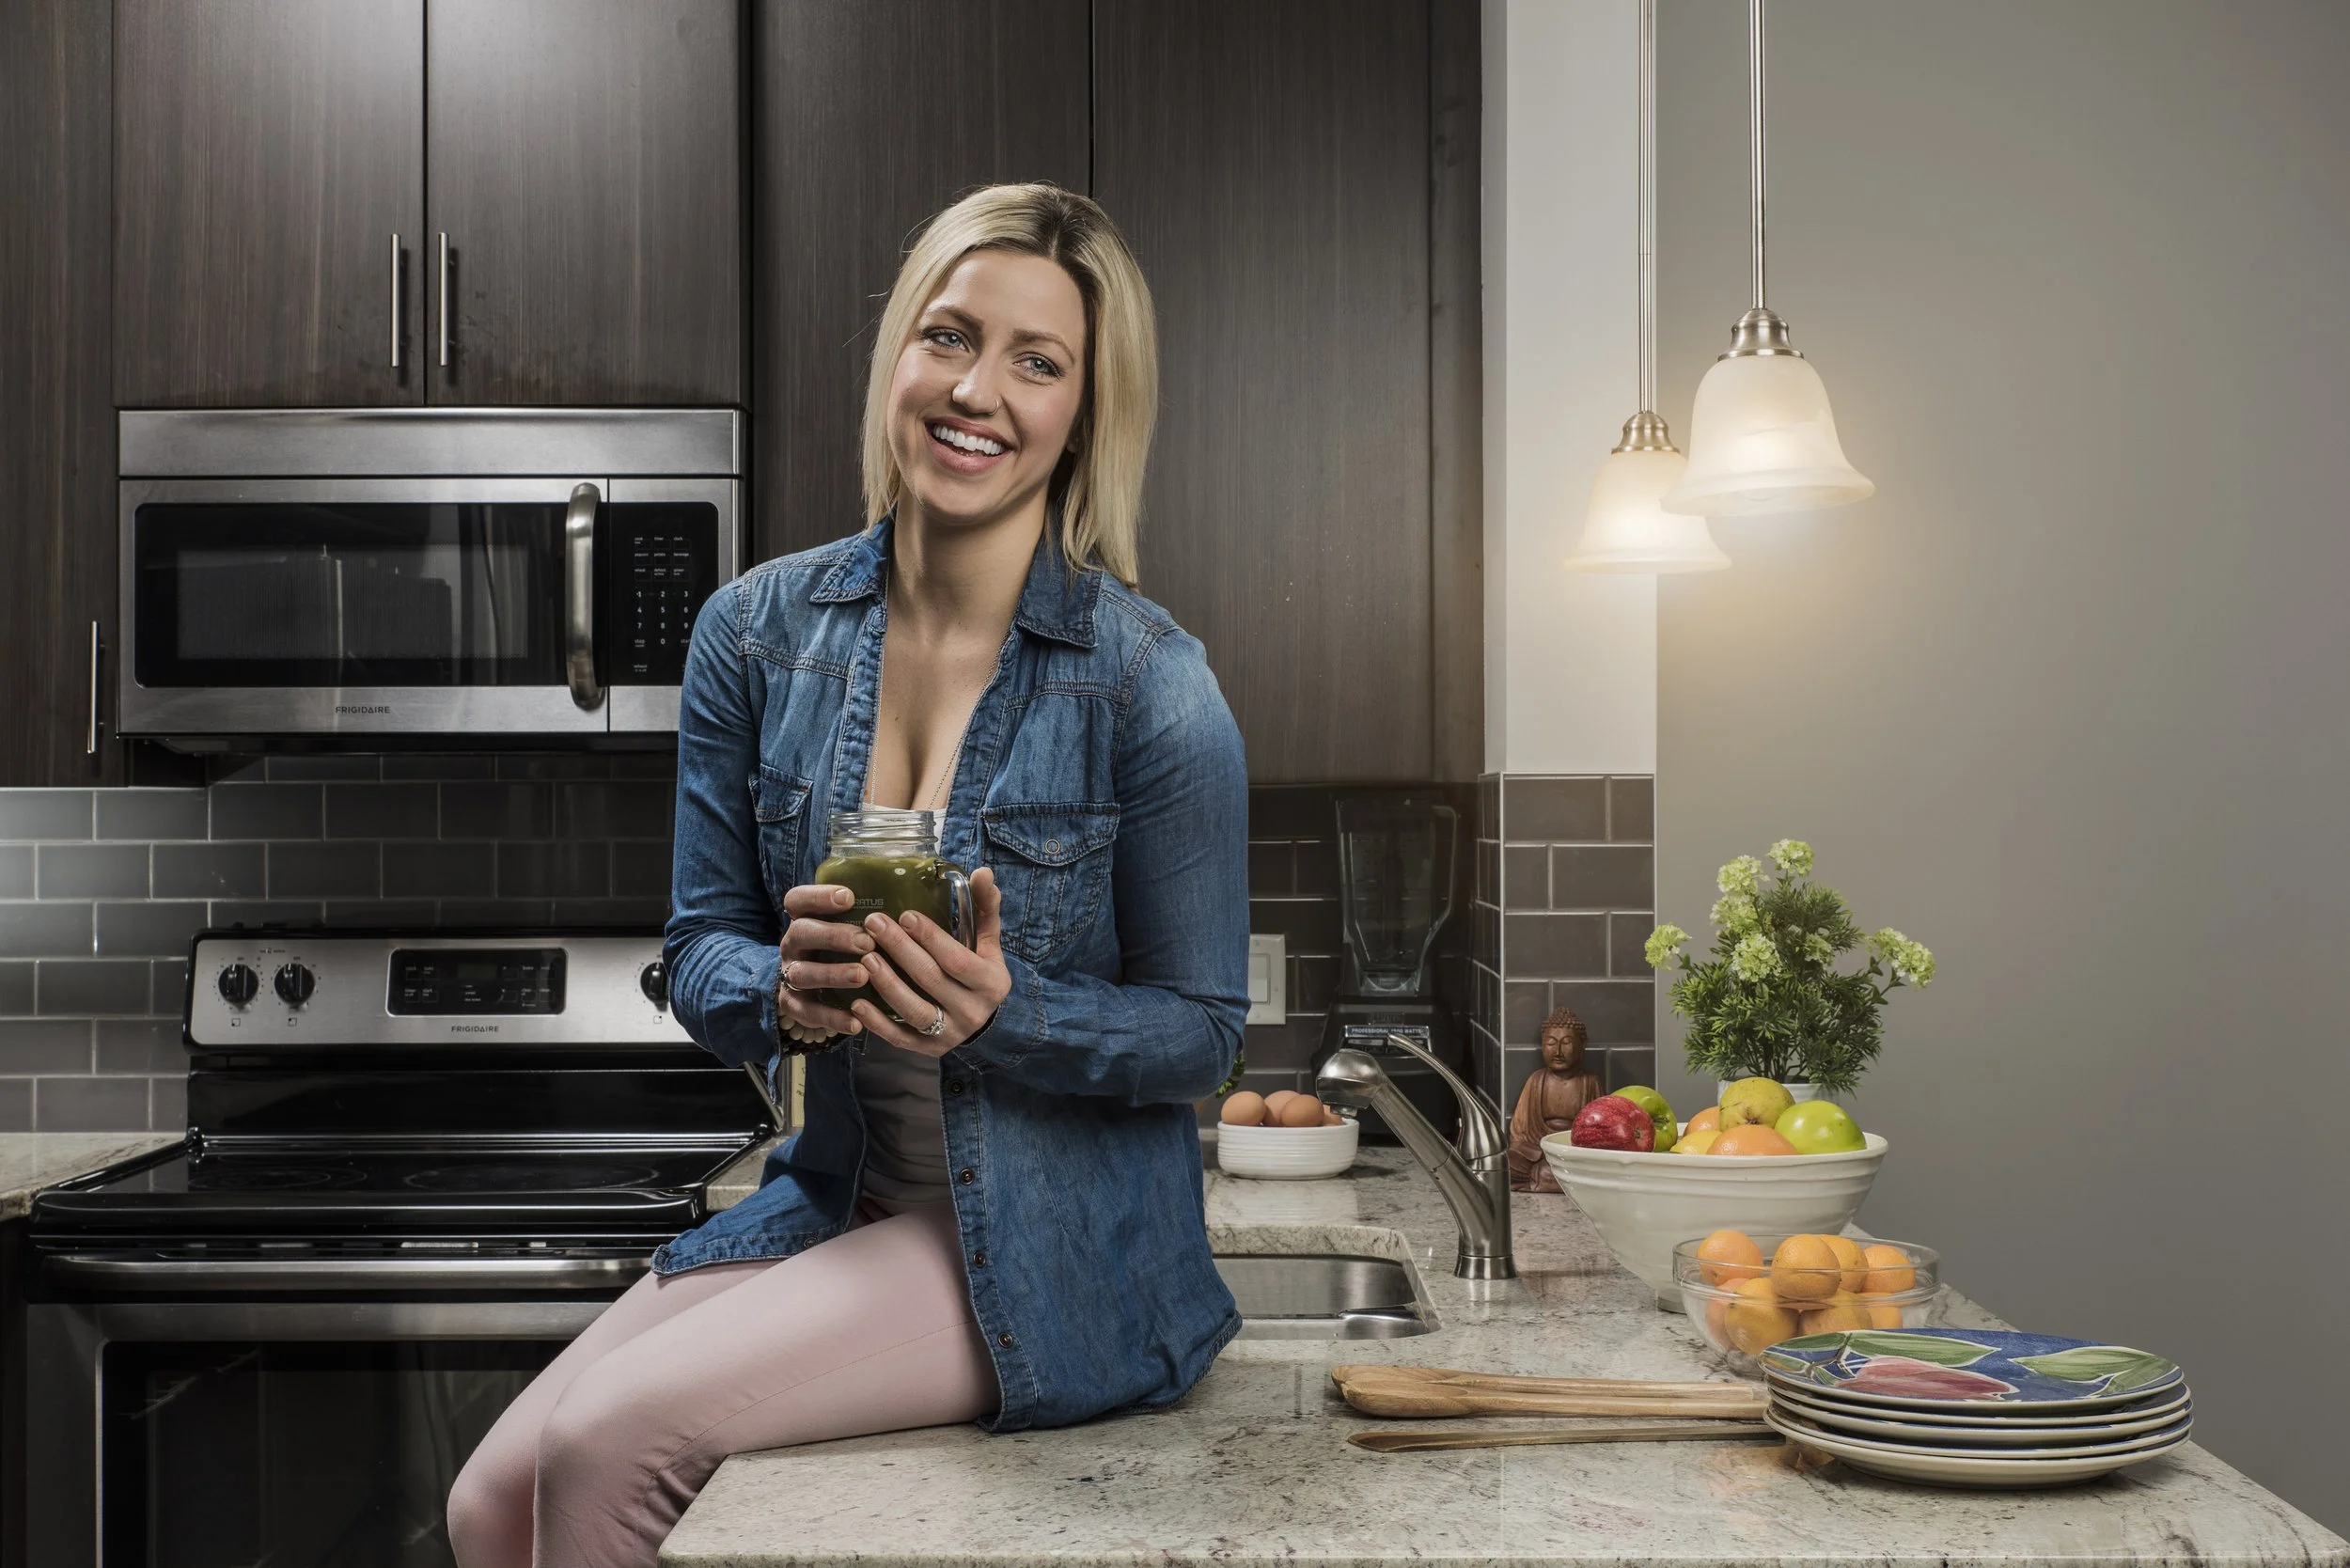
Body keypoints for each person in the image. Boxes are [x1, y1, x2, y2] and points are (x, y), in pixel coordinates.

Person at [446, 182, 1250, 1568]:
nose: (977, 391)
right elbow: (700, 947)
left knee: (600, 1447)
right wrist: (786, 991)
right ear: (899, 353)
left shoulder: (1148, 683)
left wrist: (1012, 1014)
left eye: (1036, 361)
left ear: (1085, 411)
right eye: (949, 336)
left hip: (1055, 1256)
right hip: (844, 1199)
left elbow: (1205, 1035)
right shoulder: (753, 634)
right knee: (484, 1501)